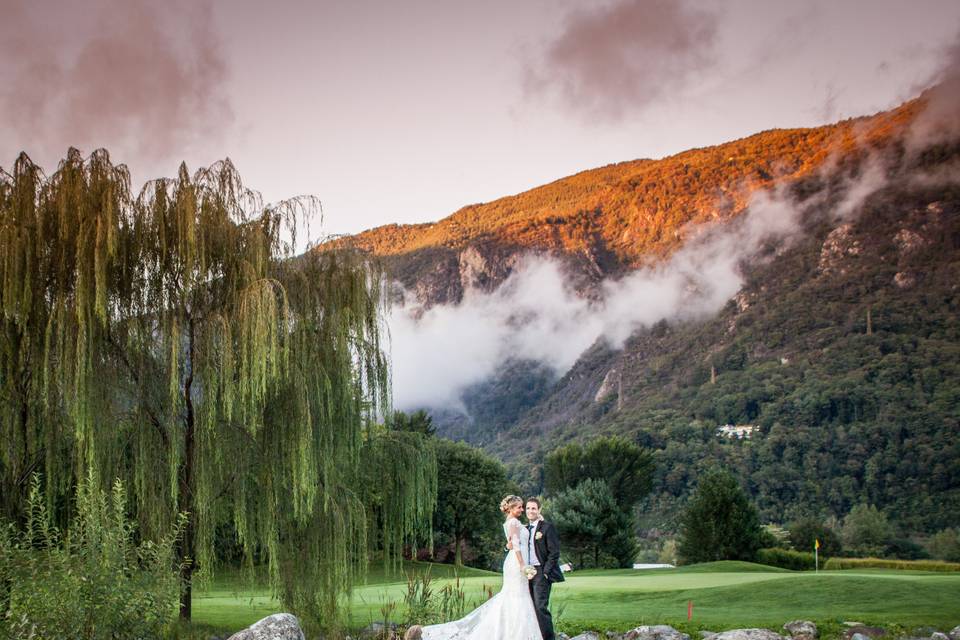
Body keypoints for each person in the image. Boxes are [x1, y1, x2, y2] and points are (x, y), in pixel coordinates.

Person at [416, 495, 544, 640]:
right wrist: (523, 566)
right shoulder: (513, 522)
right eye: (519, 507)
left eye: (522, 507)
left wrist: (538, 518)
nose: (522, 509)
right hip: (517, 562)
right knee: (516, 596)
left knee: (514, 596)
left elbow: (514, 541)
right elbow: (515, 545)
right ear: (511, 508)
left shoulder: (513, 522)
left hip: (515, 561)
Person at [522, 497, 564, 640]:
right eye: (528, 508)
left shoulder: (547, 527)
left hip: (541, 571)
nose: (530, 511)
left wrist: (546, 572)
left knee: (540, 607)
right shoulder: (525, 529)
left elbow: (554, 552)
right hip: (527, 572)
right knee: (530, 607)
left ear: (539, 510)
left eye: (533, 508)